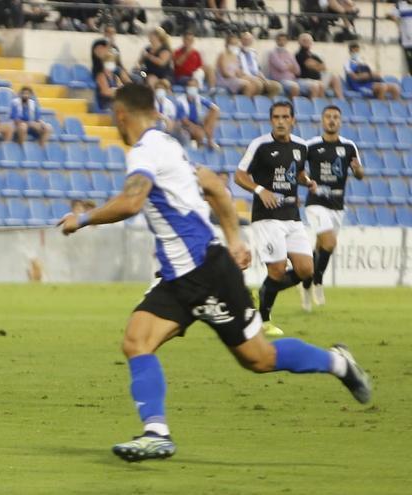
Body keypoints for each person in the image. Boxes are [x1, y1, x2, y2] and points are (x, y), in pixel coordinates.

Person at [58, 84, 371, 463]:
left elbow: (132, 200)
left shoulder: (145, 150)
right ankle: (156, 432)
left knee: (259, 358)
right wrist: (235, 238)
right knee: (136, 340)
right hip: (177, 277)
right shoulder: (169, 146)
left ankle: (338, 362)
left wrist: (83, 219)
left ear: (122, 115)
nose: (114, 123)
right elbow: (213, 187)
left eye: (114, 117)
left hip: (206, 272)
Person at [234, 101, 316, 337]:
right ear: (271, 120)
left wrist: (307, 181)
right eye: (276, 117)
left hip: (292, 217)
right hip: (267, 218)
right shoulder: (259, 145)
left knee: (305, 270)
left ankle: (264, 291)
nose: (280, 121)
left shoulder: (301, 146)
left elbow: (297, 172)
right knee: (278, 270)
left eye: (285, 117)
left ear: (293, 120)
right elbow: (239, 175)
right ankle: (264, 319)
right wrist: (260, 190)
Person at [299, 106, 364, 310]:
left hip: (337, 204)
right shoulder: (310, 146)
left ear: (340, 121)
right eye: (328, 117)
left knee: (321, 247)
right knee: (329, 242)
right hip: (316, 202)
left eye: (335, 117)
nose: (332, 120)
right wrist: (308, 181)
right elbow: (298, 173)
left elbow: (360, 174)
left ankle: (306, 284)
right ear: (322, 120)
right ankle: (317, 281)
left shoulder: (349, 146)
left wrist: (357, 170)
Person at [268, 33, 325, 98]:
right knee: (295, 87)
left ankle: (315, 106)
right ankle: (293, 106)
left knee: (317, 85)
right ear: (276, 41)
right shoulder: (273, 53)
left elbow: (298, 71)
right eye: (280, 40)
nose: (282, 42)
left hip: (293, 79)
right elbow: (281, 67)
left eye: (284, 40)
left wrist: (288, 66)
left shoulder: (289, 54)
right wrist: (290, 67)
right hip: (280, 80)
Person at [175, 78, 220, 150]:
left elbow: (215, 108)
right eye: (190, 86)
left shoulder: (199, 98)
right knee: (200, 133)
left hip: (196, 123)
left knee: (213, 113)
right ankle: (200, 148)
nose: (192, 88)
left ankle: (209, 140)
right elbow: (184, 120)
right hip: (183, 126)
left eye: (194, 86)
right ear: (187, 88)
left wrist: (209, 123)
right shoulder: (180, 101)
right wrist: (197, 128)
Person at [296, 33, 344, 99]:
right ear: (299, 42)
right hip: (304, 80)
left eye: (309, 40)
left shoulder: (314, 55)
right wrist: (317, 65)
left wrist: (315, 65)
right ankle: (315, 106)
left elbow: (324, 68)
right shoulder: (298, 55)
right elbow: (309, 65)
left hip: (318, 79)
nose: (307, 42)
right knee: (317, 85)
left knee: (334, 77)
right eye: (304, 40)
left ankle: (341, 100)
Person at [238, 31, 282, 97]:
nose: (247, 41)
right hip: (244, 77)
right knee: (258, 84)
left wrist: (265, 79)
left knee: (276, 86)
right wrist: (252, 78)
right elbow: (238, 71)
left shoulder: (253, 52)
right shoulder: (236, 52)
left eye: (249, 39)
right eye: (245, 39)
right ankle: (252, 105)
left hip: (256, 77)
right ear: (241, 40)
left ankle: (266, 105)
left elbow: (258, 70)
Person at [92, 39, 121, 113]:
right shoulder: (101, 76)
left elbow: (122, 89)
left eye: (112, 62)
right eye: (108, 62)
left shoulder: (115, 77)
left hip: (113, 103)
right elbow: (105, 91)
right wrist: (116, 91)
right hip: (104, 104)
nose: (110, 64)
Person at [388, 0, 412, 75]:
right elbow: (391, 15)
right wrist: (393, 18)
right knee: (410, 64)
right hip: (407, 41)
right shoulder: (399, 5)